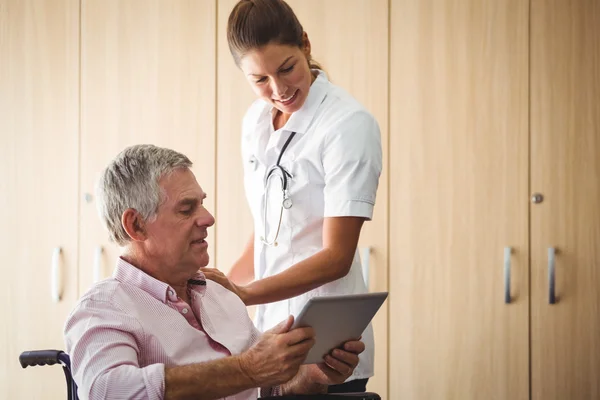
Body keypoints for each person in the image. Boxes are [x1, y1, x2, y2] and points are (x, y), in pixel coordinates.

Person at [63, 144, 365, 400]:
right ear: (137, 225)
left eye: (202, 204)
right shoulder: (103, 308)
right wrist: (246, 368)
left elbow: (267, 388)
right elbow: (107, 390)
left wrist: (311, 375)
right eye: (186, 209)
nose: (208, 218)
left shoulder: (219, 294)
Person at [200, 0, 383, 394]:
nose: (279, 90)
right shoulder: (254, 121)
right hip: (268, 343)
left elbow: (337, 257)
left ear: (305, 44)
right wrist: (217, 297)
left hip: (327, 347)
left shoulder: (347, 125)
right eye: (260, 80)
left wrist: (245, 294)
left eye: (287, 68)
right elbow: (266, 233)